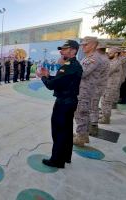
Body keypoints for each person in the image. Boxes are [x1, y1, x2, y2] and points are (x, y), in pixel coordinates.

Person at [38, 40, 82, 168]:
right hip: (69, 101)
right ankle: (66, 157)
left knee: (59, 132)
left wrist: (43, 77)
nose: (61, 51)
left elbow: (52, 85)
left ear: (73, 50)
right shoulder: (72, 65)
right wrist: (49, 75)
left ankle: (57, 160)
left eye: (65, 48)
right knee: (67, 132)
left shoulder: (69, 66)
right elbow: (60, 82)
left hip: (64, 103)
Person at [73, 37, 106, 146]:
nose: (82, 46)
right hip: (84, 89)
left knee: (81, 112)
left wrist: (70, 68)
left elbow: (82, 73)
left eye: (85, 44)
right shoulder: (88, 57)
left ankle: (81, 137)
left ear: (92, 45)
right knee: (83, 112)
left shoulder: (94, 58)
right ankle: (83, 134)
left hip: (85, 90)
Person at [99, 47, 123, 124]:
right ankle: (104, 114)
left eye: (110, 53)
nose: (108, 55)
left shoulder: (116, 62)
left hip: (111, 86)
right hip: (107, 85)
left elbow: (106, 72)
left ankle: (106, 118)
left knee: (107, 102)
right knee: (103, 101)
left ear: (116, 54)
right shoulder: (111, 61)